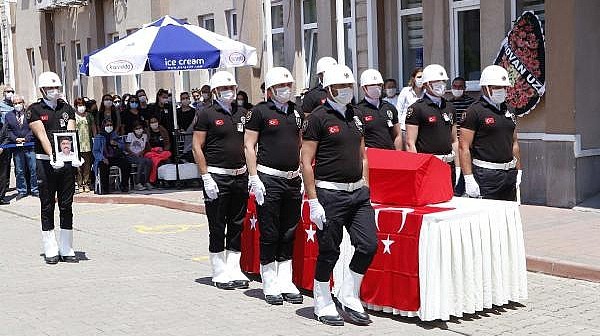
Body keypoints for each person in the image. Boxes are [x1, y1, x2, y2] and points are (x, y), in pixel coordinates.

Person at [301, 64, 377, 326]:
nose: (346, 91)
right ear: (329, 89)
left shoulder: (356, 116)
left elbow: (363, 154)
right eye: (341, 87)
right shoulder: (318, 118)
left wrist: (365, 184)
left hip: (358, 193)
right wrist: (313, 201)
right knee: (329, 251)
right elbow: (306, 160)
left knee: (369, 245)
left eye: (349, 86)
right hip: (329, 194)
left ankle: (348, 293)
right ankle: (321, 299)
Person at [244, 67, 304, 305]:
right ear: (270, 90)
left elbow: (301, 144)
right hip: (268, 178)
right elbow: (249, 146)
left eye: (289, 85)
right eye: (281, 86)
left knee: (289, 230)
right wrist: (253, 177)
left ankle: (285, 279)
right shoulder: (259, 112)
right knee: (270, 231)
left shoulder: (296, 112)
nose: (286, 89)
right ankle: (269, 280)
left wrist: (300, 172)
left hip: (292, 179)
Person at [192, 71, 250, 290]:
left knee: (237, 223)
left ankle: (234, 267)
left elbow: (249, 143)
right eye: (225, 89)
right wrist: (205, 176)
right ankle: (218, 270)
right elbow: (197, 146)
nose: (230, 92)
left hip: (239, 176)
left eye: (232, 88)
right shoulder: (206, 114)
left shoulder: (243, 113)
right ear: (215, 91)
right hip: (216, 176)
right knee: (217, 224)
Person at [27, 71, 83, 264]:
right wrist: (53, 155)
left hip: (65, 162)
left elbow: (71, 131)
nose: (54, 91)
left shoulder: (66, 108)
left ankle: (66, 246)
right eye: (50, 88)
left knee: (67, 205)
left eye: (56, 88)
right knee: (47, 204)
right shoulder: (34, 109)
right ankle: (50, 246)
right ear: (42, 89)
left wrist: (74, 155)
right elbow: (42, 135)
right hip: (45, 161)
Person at [459, 65, 521, 201]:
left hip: (509, 173)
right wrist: (468, 178)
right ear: (485, 88)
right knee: (487, 219)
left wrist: (519, 170)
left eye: (505, 87)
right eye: (497, 87)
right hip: (486, 175)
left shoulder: (509, 110)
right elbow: (464, 147)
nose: (502, 91)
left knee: (508, 218)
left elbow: (514, 142)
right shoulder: (474, 112)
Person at [405, 64, 460, 188]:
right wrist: (415, 169)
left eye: (443, 81)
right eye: (436, 81)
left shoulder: (450, 107)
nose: (441, 84)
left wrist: (458, 166)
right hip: (427, 166)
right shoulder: (416, 108)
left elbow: (454, 140)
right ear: (426, 84)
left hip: (448, 165)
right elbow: (410, 143)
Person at [356, 69, 402, 150]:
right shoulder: (358, 110)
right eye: (372, 85)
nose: (376, 88)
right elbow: (358, 140)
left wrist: (398, 155)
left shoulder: (389, 107)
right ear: (364, 88)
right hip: (372, 157)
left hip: (390, 155)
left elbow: (397, 135)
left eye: (379, 85)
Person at [4, 95, 38, 200]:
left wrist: (26, 138)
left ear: (23, 103)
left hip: (30, 146)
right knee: (19, 170)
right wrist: (15, 139)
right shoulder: (8, 115)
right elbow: (7, 130)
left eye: (19, 102)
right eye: (15, 103)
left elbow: (34, 127)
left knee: (33, 169)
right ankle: (22, 190)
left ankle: (35, 189)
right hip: (17, 147)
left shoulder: (30, 114)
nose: (17, 105)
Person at [449, 76, 475, 196]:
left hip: (467, 142)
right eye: (455, 86)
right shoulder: (448, 104)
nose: (457, 89)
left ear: (465, 88)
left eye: (460, 87)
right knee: (455, 168)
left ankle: (462, 190)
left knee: (466, 166)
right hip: (453, 142)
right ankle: (455, 190)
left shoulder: (471, 104)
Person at [93, 119, 130, 194]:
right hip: (103, 157)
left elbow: (123, 146)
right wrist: (102, 158)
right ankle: (105, 188)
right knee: (103, 166)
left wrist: (116, 144)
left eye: (110, 125)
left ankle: (124, 185)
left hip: (115, 156)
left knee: (126, 164)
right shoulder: (99, 137)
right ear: (103, 126)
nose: (109, 127)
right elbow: (95, 151)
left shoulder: (115, 135)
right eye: (107, 125)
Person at [74, 98, 95, 193]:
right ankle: (79, 183)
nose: (81, 107)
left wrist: (95, 138)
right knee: (78, 166)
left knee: (87, 165)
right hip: (77, 144)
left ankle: (86, 183)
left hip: (87, 143)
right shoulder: (73, 116)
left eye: (82, 104)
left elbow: (93, 127)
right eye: (79, 105)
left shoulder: (89, 116)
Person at [395, 68, 424, 136]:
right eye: (419, 77)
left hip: (421, 129)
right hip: (405, 128)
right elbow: (399, 109)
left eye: (423, 77)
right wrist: (399, 127)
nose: (421, 79)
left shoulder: (426, 93)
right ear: (414, 78)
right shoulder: (406, 91)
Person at [125, 121, 153, 191]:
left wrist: (141, 152)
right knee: (142, 161)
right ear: (134, 129)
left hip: (140, 155)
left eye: (140, 128)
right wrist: (134, 154)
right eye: (137, 128)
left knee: (149, 161)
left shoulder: (145, 136)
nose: (139, 130)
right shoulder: (130, 135)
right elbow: (127, 148)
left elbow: (145, 147)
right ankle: (137, 183)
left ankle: (146, 182)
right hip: (130, 155)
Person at [144, 116, 171, 185]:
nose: (154, 123)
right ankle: (156, 181)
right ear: (149, 124)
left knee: (167, 159)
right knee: (157, 161)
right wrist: (154, 150)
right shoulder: (147, 132)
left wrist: (164, 150)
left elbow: (167, 143)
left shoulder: (163, 130)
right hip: (152, 152)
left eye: (155, 121)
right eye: (152, 122)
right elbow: (146, 145)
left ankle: (167, 180)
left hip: (162, 152)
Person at [0, 116, 11, 205]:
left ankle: (1, 197)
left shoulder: (4, 126)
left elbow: (7, 138)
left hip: (2, 155)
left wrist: (2, 147)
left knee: (2, 176)